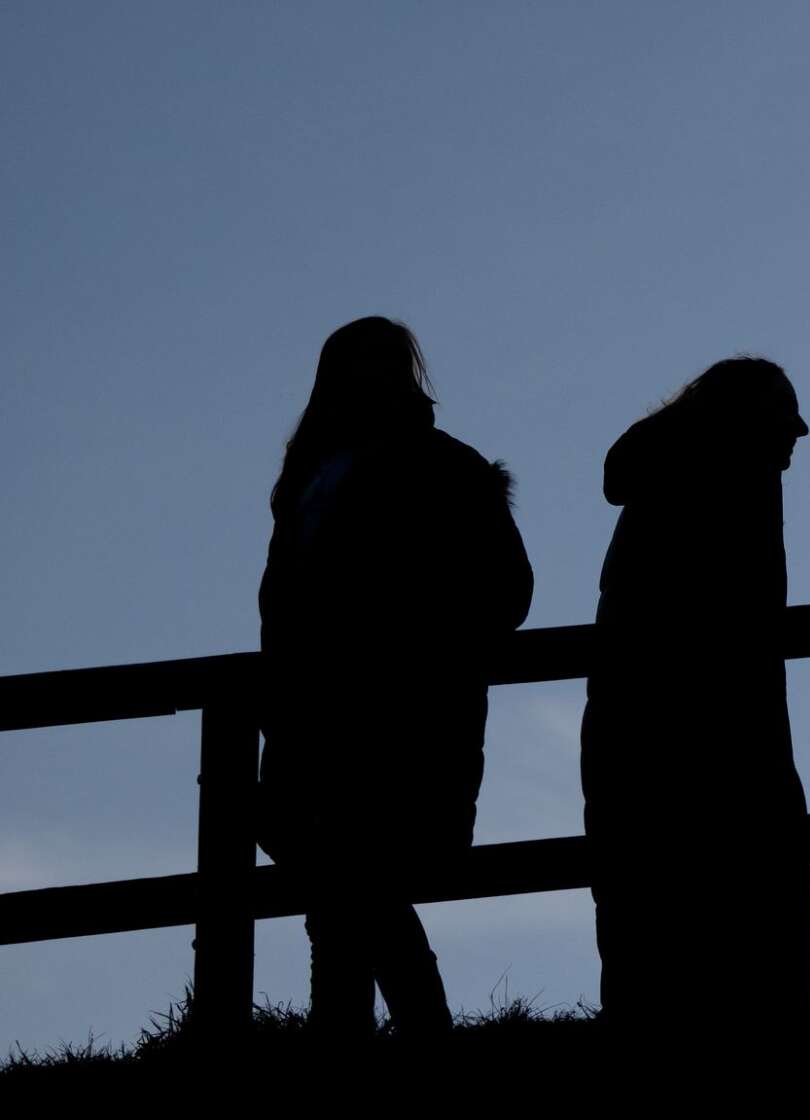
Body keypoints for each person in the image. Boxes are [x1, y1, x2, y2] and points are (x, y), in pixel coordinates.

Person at [258, 316, 533, 1036]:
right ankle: (398, 1037)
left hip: (403, 723)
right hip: (316, 719)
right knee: (343, 888)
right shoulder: (311, 474)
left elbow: (507, 592)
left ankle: (376, 1037)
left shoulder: (443, 468)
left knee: (350, 886)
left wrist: (416, 645)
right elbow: (280, 601)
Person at [581, 357, 810, 1023]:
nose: (800, 431)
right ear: (747, 419)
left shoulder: (671, 477)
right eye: (785, 415)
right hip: (723, 741)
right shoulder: (737, 483)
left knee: (644, 931)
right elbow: (740, 634)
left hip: (635, 737)